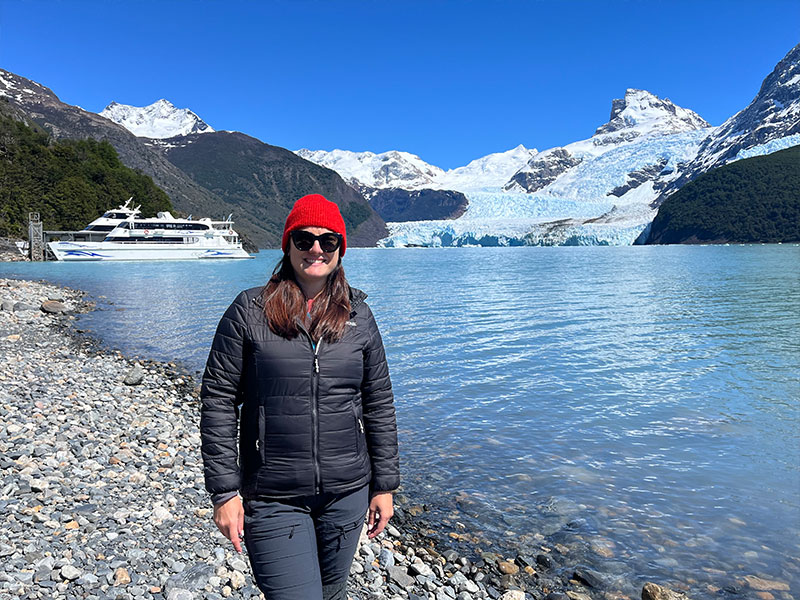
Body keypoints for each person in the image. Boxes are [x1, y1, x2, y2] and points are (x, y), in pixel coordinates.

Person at [200, 193, 399, 600]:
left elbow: (378, 401)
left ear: (340, 249)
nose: (315, 250)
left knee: (331, 595)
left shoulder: (358, 316)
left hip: (347, 492)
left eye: (328, 241)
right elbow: (218, 399)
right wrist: (224, 492)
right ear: (287, 244)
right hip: (273, 496)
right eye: (304, 239)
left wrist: (384, 485)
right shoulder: (249, 310)